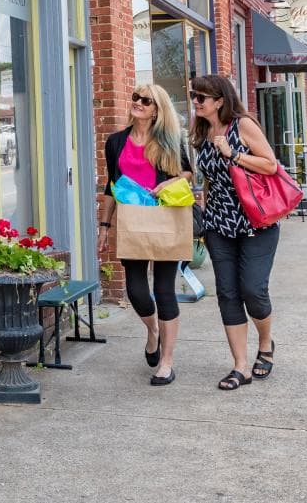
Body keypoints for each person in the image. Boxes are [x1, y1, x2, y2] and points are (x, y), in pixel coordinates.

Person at [189, 74, 281, 391]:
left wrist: (233, 154)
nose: (196, 101)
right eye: (194, 96)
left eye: (202, 97)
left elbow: (270, 165)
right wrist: (204, 214)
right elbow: (208, 181)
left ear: (220, 100)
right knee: (227, 293)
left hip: (257, 221)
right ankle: (240, 366)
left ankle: (266, 343)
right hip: (219, 225)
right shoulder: (201, 132)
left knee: (253, 291)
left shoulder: (241, 125)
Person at [98, 84, 193, 386]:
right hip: (131, 222)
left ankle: (166, 361)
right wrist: (104, 227)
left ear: (157, 109)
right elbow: (111, 187)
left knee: (164, 290)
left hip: (165, 219)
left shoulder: (170, 140)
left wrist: (169, 183)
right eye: (136, 97)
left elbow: (189, 173)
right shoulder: (115, 142)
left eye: (146, 100)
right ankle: (152, 331)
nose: (138, 103)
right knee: (137, 291)